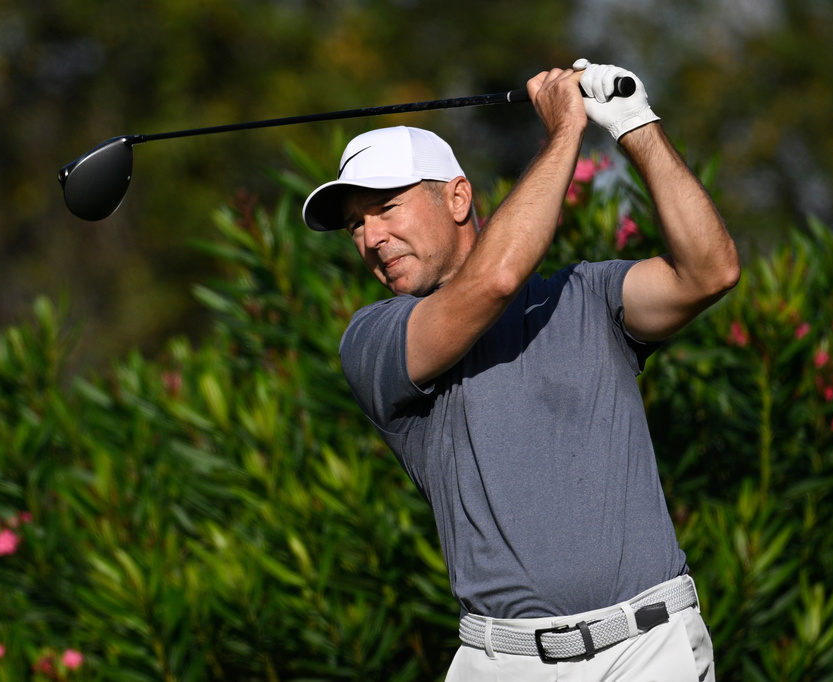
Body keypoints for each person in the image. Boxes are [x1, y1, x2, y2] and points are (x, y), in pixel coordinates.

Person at [302, 59, 739, 680]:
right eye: (355, 225)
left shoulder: (588, 296)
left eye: (387, 208)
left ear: (457, 196)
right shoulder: (374, 342)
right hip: (502, 662)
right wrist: (566, 130)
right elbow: (495, 279)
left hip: (649, 650)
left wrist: (634, 124)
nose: (371, 237)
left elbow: (709, 272)